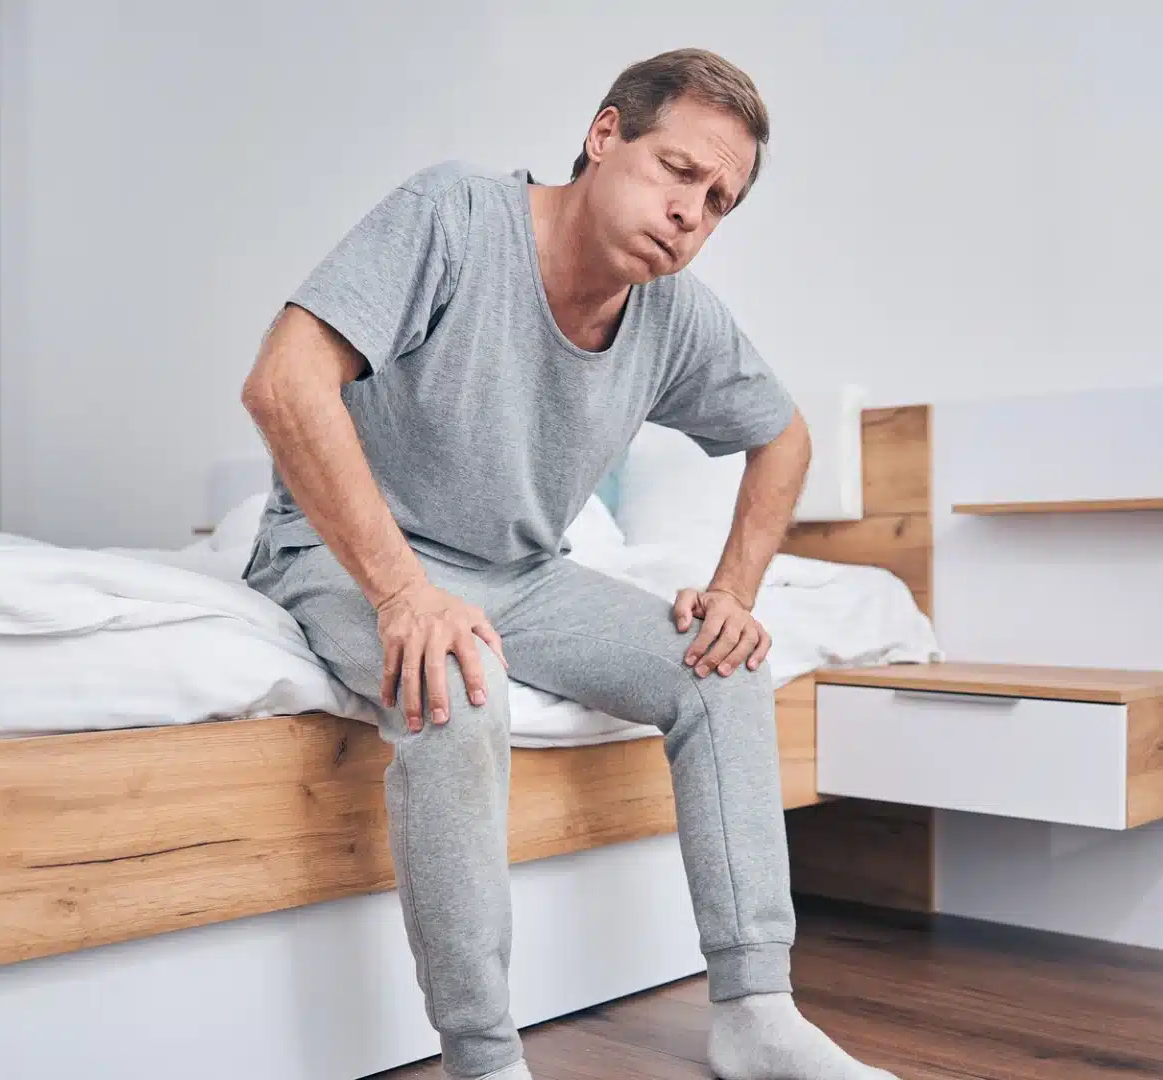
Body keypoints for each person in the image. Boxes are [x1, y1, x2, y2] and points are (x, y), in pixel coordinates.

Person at [241, 47, 898, 1080]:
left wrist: (734, 592)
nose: (693, 212)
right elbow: (284, 382)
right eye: (679, 170)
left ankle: (756, 1016)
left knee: (723, 672)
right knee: (459, 683)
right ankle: (484, 1059)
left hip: (522, 572)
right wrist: (405, 593)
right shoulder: (454, 216)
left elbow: (787, 438)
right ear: (604, 137)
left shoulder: (674, 318)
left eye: (719, 199)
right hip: (351, 551)